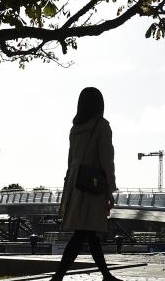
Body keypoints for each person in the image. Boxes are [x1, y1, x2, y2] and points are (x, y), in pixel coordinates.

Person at [51, 87, 120, 281]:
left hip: (76, 185)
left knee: (87, 233)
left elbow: (70, 161)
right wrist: (109, 189)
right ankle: (58, 277)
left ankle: (105, 275)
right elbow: (107, 160)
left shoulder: (75, 129)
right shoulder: (102, 126)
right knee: (85, 233)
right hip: (93, 186)